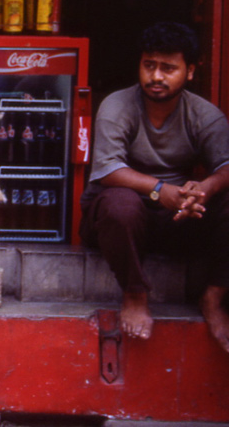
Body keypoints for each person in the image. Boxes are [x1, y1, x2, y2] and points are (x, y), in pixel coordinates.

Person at [80, 22, 229, 353]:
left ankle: (215, 296)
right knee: (120, 203)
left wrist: (204, 188)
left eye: (168, 68)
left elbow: (225, 166)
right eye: (149, 65)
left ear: (190, 71)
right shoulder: (117, 106)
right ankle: (134, 293)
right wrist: (161, 190)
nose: (156, 76)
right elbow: (108, 169)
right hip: (115, 223)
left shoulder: (205, 115)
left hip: (175, 221)